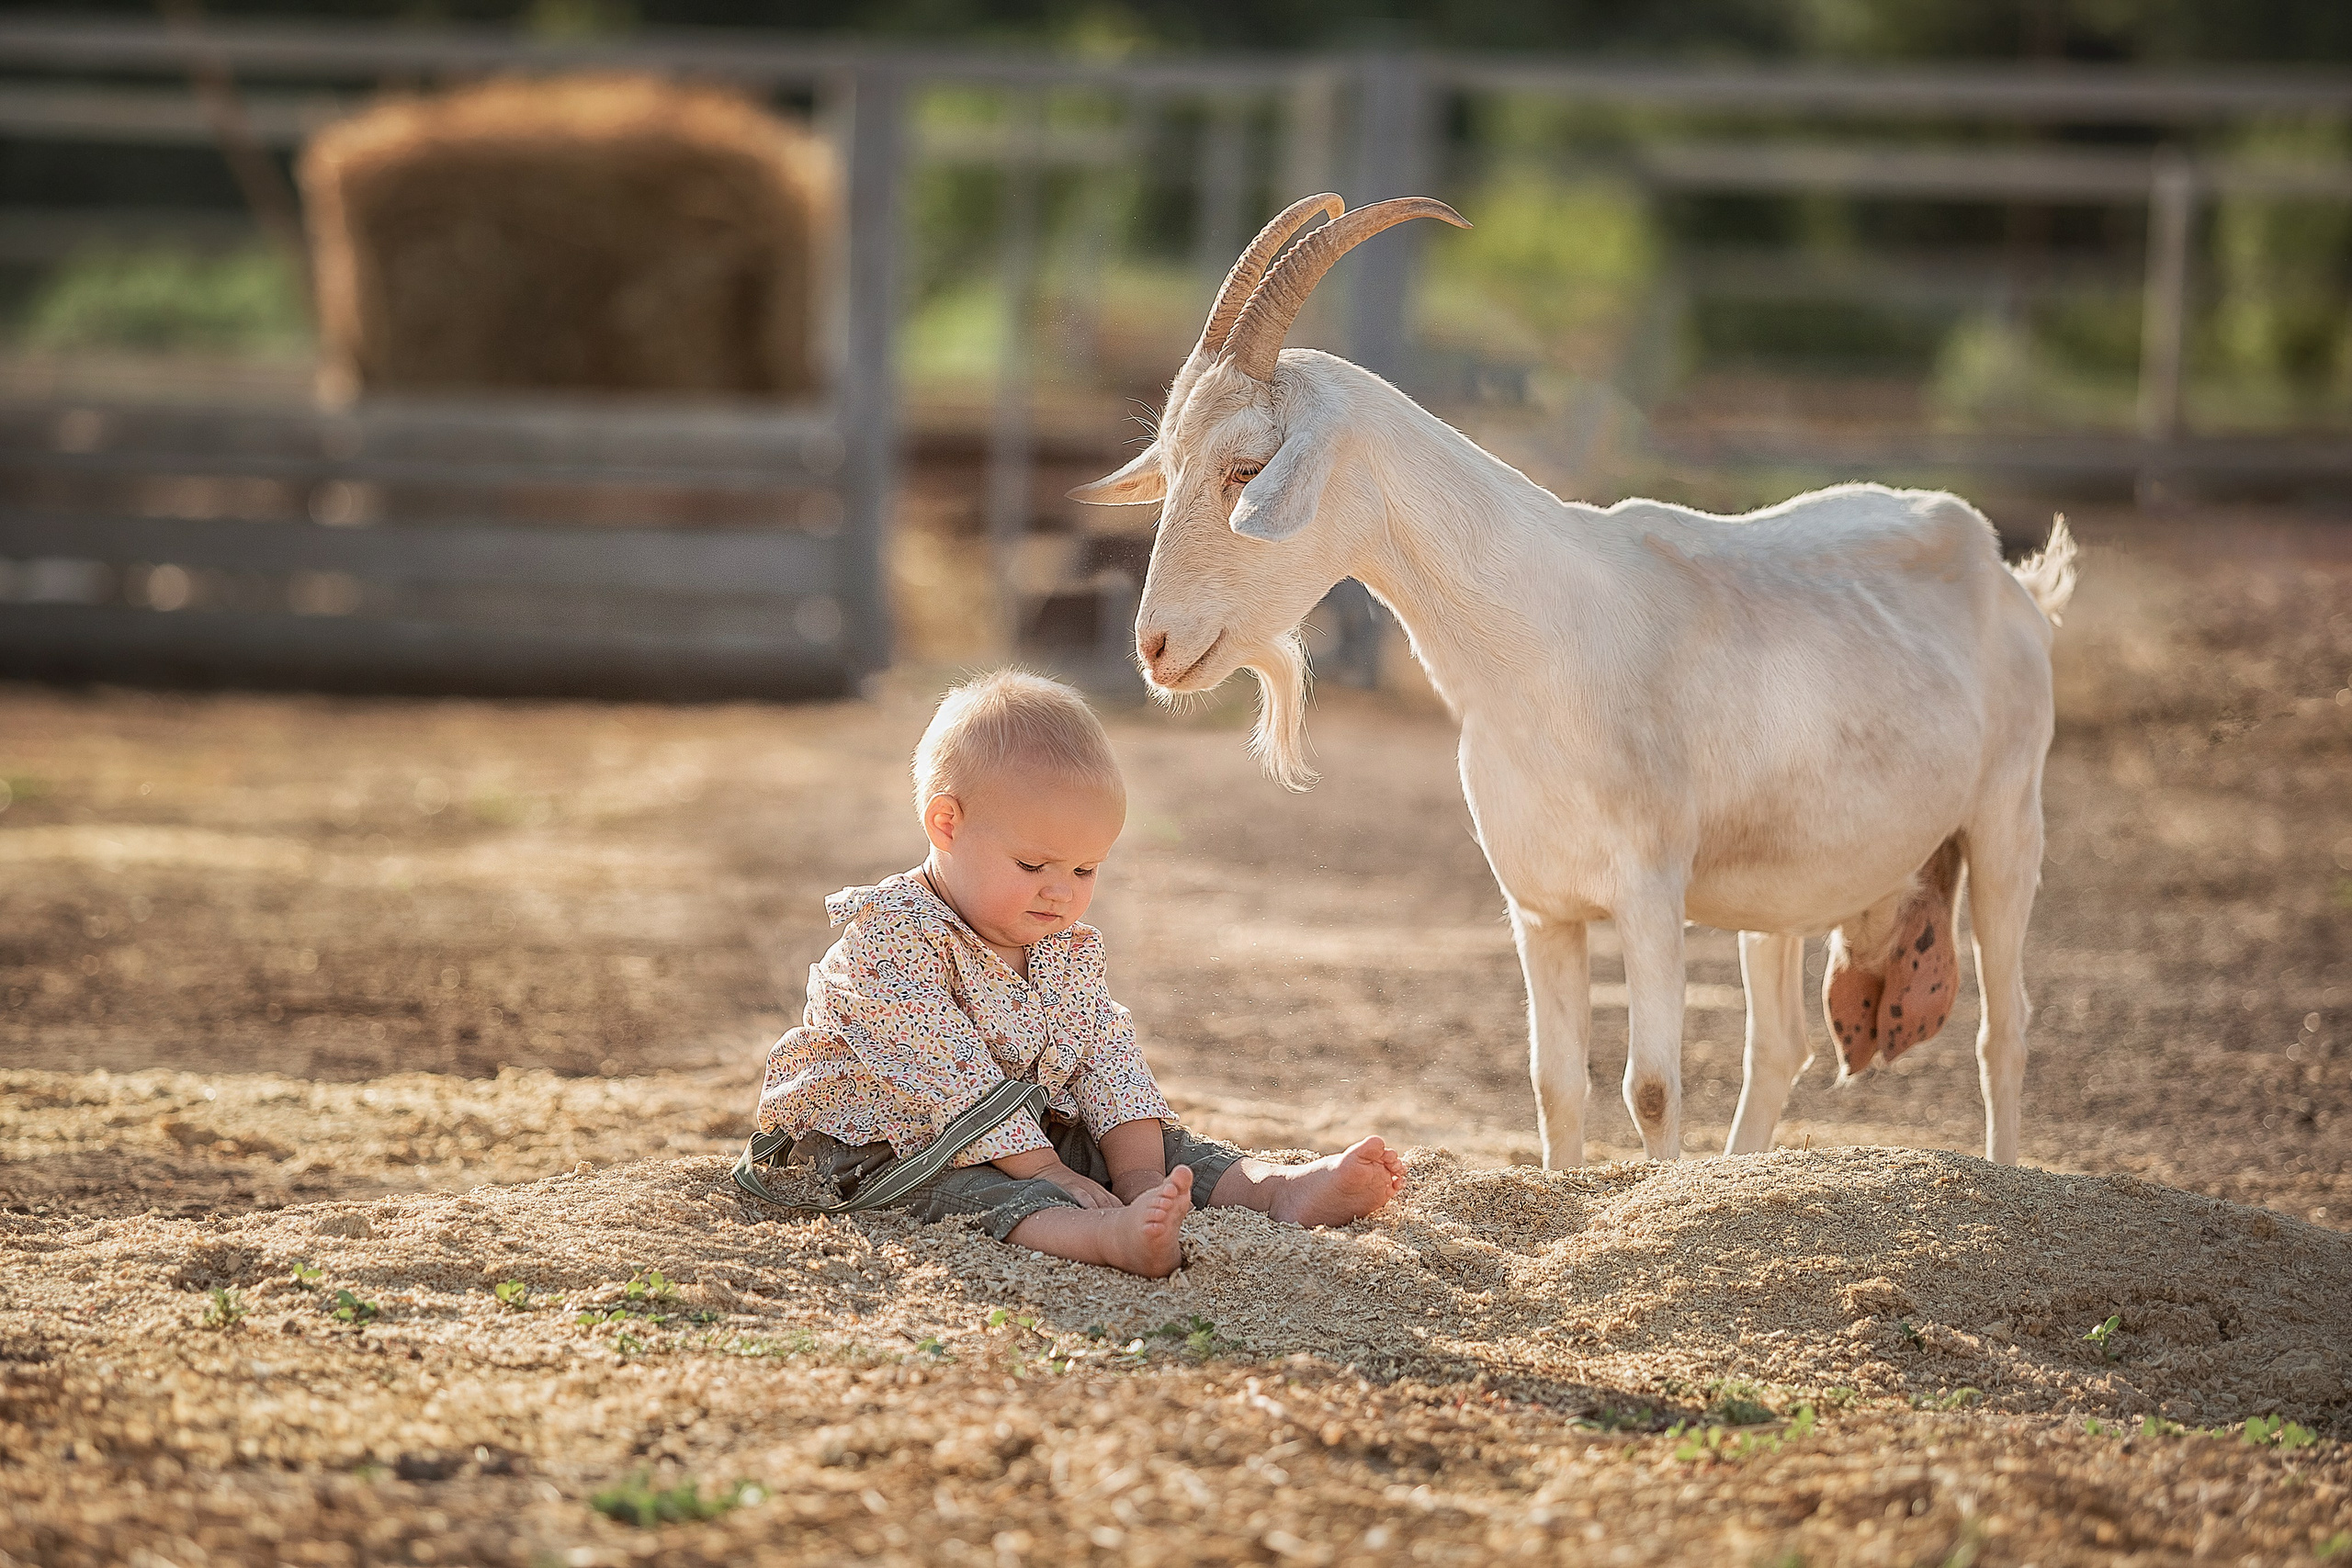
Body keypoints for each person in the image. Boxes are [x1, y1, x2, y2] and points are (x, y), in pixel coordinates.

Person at [750, 670, 1405, 1277]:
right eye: (1034, 866)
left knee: (1153, 1145)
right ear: (946, 823)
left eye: (1085, 870)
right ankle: (1102, 1238)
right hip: (886, 1142)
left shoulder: (1056, 943)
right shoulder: (892, 935)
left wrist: (1140, 1173)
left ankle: (1278, 1189)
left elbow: (1104, 1054)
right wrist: (1045, 1168)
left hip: (1020, 1125)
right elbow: (947, 1075)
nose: (1060, 893)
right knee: (975, 1189)